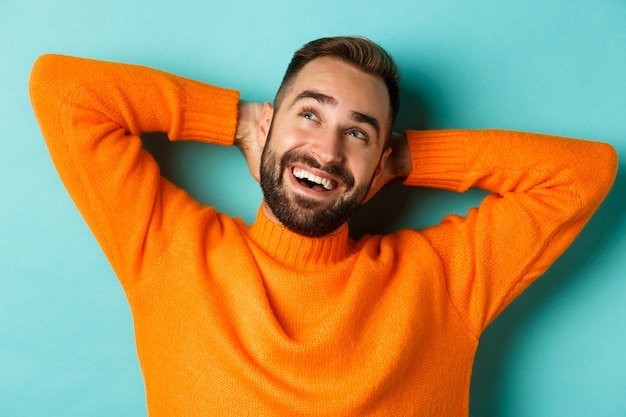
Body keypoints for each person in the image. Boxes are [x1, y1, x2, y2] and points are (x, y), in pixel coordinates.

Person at [29, 36, 617, 416]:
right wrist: (232, 121)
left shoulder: (440, 281)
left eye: (357, 133)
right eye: (307, 114)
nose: (326, 150)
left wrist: (409, 159)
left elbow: (584, 172)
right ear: (269, 126)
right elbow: (63, 92)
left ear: (380, 161)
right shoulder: (168, 251)